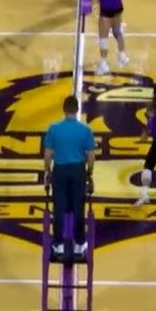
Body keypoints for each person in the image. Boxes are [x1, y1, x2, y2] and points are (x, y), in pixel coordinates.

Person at [43, 95, 96, 258]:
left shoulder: (53, 129)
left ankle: (58, 244)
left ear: (64, 109)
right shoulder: (86, 130)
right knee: (78, 208)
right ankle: (79, 244)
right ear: (77, 110)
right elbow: (91, 156)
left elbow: (48, 154)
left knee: (58, 207)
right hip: (77, 171)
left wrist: (48, 171)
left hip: (60, 170)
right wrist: (89, 173)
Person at [93, 0, 128, 76]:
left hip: (107, 7)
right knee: (117, 32)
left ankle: (103, 65)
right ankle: (122, 55)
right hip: (117, 5)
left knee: (103, 37)